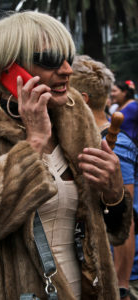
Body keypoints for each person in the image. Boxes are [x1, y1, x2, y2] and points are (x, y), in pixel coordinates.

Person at [0, 11, 133, 300]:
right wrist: (34, 142)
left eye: (68, 57)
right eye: (51, 59)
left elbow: (111, 232)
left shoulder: (73, 111)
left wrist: (114, 194)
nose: (67, 69)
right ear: (9, 68)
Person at [70, 54, 138, 300]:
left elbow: (127, 220)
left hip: (122, 276)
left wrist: (120, 287)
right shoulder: (90, 138)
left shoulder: (114, 145)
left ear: (81, 99)